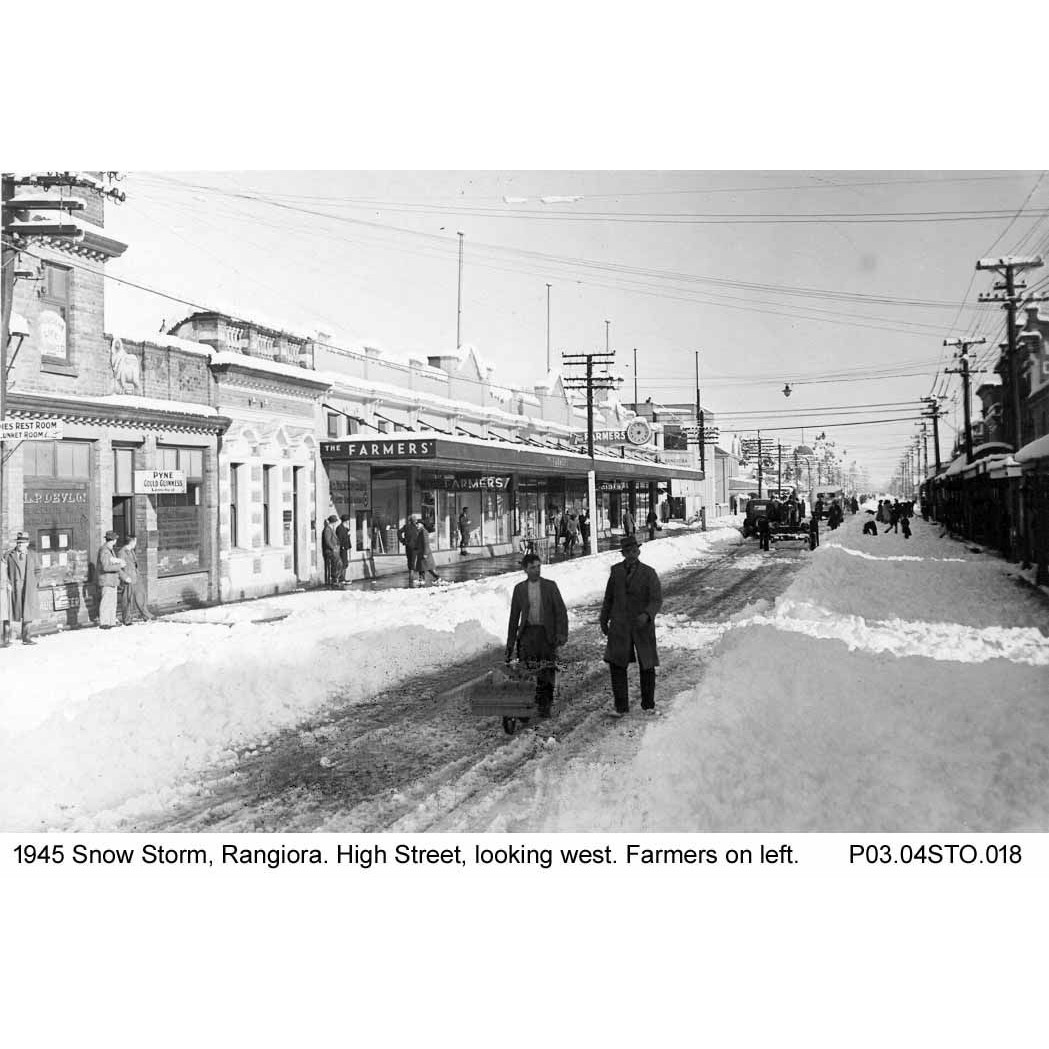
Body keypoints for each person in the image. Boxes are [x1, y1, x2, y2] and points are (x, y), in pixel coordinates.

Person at [600, 535, 663, 716]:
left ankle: (648, 705)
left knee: (647, 664)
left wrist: (647, 614)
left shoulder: (649, 573)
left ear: (639, 551)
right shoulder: (616, 571)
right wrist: (604, 620)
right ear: (623, 554)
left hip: (642, 626)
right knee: (617, 665)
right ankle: (621, 707)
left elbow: (656, 599)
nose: (631, 555)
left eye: (634, 551)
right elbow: (608, 598)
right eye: (627, 552)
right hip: (620, 626)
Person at [505, 553, 569, 719]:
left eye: (539, 566)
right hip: (527, 635)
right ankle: (525, 706)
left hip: (546, 634)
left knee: (546, 671)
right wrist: (510, 644)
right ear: (525, 569)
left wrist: (561, 633)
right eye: (532, 567)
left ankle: (544, 705)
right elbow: (514, 618)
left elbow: (561, 611)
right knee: (526, 671)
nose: (536, 570)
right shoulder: (519, 589)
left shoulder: (550, 586)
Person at [4, 531, 40, 646]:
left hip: (28, 587)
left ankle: (27, 637)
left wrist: (35, 582)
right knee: (11, 611)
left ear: (27, 544)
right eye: (19, 542)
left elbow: (38, 570)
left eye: (23, 543)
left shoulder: (33, 555)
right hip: (14, 588)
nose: (20, 544)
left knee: (28, 612)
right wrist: (7, 583)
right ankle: (6, 637)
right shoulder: (9, 555)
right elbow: (4, 571)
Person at [118, 536, 153, 625]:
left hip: (136, 577)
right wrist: (125, 577)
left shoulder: (131, 551)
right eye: (135, 541)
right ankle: (127, 619)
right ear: (131, 542)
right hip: (128, 579)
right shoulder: (122, 553)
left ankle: (146, 615)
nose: (136, 543)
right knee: (127, 600)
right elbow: (119, 568)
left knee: (141, 596)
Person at [96, 530, 125, 630]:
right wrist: (119, 566)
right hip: (107, 580)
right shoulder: (104, 550)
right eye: (115, 539)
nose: (116, 541)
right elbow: (105, 567)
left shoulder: (109, 549)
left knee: (112, 602)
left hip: (112, 580)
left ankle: (111, 621)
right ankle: (104, 622)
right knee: (106, 602)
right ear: (113, 540)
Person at [413, 516, 442, 586]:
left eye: (418, 524)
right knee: (422, 567)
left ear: (422, 524)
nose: (416, 525)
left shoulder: (424, 532)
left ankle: (437, 577)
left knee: (428, 567)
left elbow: (426, 543)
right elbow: (419, 542)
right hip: (421, 552)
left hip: (425, 553)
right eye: (416, 524)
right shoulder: (420, 531)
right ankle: (421, 579)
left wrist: (425, 553)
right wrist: (416, 548)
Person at [322, 515, 341, 587]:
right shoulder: (327, 529)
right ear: (333, 522)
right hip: (330, 551)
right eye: (335, 522)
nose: (335, 523)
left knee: (337, 564)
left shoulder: (330, 529)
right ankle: (333, 580)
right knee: (336, 564)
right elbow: (327, 541)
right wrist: (333, 548)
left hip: (333, 550)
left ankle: (335, 579)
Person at [335, 514, 352, 585]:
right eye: (348, 520)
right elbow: (340, 539)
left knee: (345, 564)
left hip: (344, 548)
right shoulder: (340, 528)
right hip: (342, 548)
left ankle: (343, 579)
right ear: (345, 521)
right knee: (343, 563)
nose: (348, 522)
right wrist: (342, 546)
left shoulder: (343, 528)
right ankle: (341, 579)